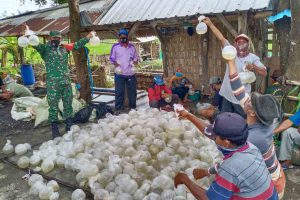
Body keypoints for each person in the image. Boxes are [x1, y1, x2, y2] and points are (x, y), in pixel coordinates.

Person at [176, 59, 286, 199]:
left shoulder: (253, 139)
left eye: (250, 101)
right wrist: (231, 61)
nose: (246, 100)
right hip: (266, 175)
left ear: (252, 112)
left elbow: (231, 167)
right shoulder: (264, 119)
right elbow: (238, 89)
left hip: (273, 181)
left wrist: (205, 172)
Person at [174, 112, 279, 200]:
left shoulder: (229, 168)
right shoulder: (250, 147)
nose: (213, 138)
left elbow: (209, 199)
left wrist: (185, 180)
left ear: (227, 142)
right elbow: (233, 167)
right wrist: (207, 172)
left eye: (216, 136)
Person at [25, 25, 94, 138]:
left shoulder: (65, 48)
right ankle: (54, 128)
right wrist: (28, 33)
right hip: (53, 84)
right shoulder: (45, 49)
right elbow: (34, 43)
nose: (57, 40)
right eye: (54, 38)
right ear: (50, 38)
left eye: (58, 38)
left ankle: (69, 124)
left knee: (68, 104)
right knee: (53, 106)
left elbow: (77, 45)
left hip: (66, 82)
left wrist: (88, 37)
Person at [203, 17, 267, 118]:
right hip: (227, 95)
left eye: (244, 42)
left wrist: (253, 67)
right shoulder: (231, 52)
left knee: (241, 119)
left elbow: (264, 72)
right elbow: (221, 38)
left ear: (248, 44)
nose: (241, 44)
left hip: (241, 97)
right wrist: (210, 24)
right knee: (225, 118)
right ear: (235, 44)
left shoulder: (253, 58)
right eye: (238, 42)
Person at [110, 28, 139, 112]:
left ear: (127, 37)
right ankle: (118, 109)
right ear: (119, 38)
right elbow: (112, 57)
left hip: (130, 73)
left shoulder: (132, 47)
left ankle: (133, 108)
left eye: (124, 37)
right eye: (121, 37)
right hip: (120, 73)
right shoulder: (115, 47)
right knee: (119, 92)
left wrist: (135, 61)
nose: (123, 38)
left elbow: (136, 57)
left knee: (132, 92)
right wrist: (115, 63)